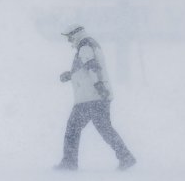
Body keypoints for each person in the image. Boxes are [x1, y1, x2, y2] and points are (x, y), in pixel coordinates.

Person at [54, 24, 136, 171]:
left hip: (90, 98)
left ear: (75, 34)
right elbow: (85, 69)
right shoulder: (88, 45)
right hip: (94, 97)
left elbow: (93, 67)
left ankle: (69, 162)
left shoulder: (85, 46)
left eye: (69, 37)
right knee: (105, 129)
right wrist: (70, 75)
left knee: (73, 129)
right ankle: (125, 156)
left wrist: (99, 86)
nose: (69, 41)